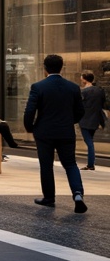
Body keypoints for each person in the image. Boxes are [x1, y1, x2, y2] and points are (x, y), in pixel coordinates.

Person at [23, 54, 87, 213]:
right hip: (66, 132)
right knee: (70, 164)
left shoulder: (38, 87)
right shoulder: (73, 87)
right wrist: (69, 122)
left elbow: (30, 110)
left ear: (44, 68)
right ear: (62, 67)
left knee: (46, 165)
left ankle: (49, 197)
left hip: (44, 132)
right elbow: (80, 111)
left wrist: (30, 127)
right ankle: (78, 194)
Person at [79, 71, 106, 170]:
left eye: (82, 78)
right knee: (90, 140)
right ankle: (90, 163)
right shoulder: (99, 90)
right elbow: (102, 103)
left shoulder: (83, 92)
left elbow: (79, 106)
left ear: (85, 80)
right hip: (95, 119)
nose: (81, 80)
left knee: (89, 142)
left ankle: (91, 164)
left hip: (85, 120)